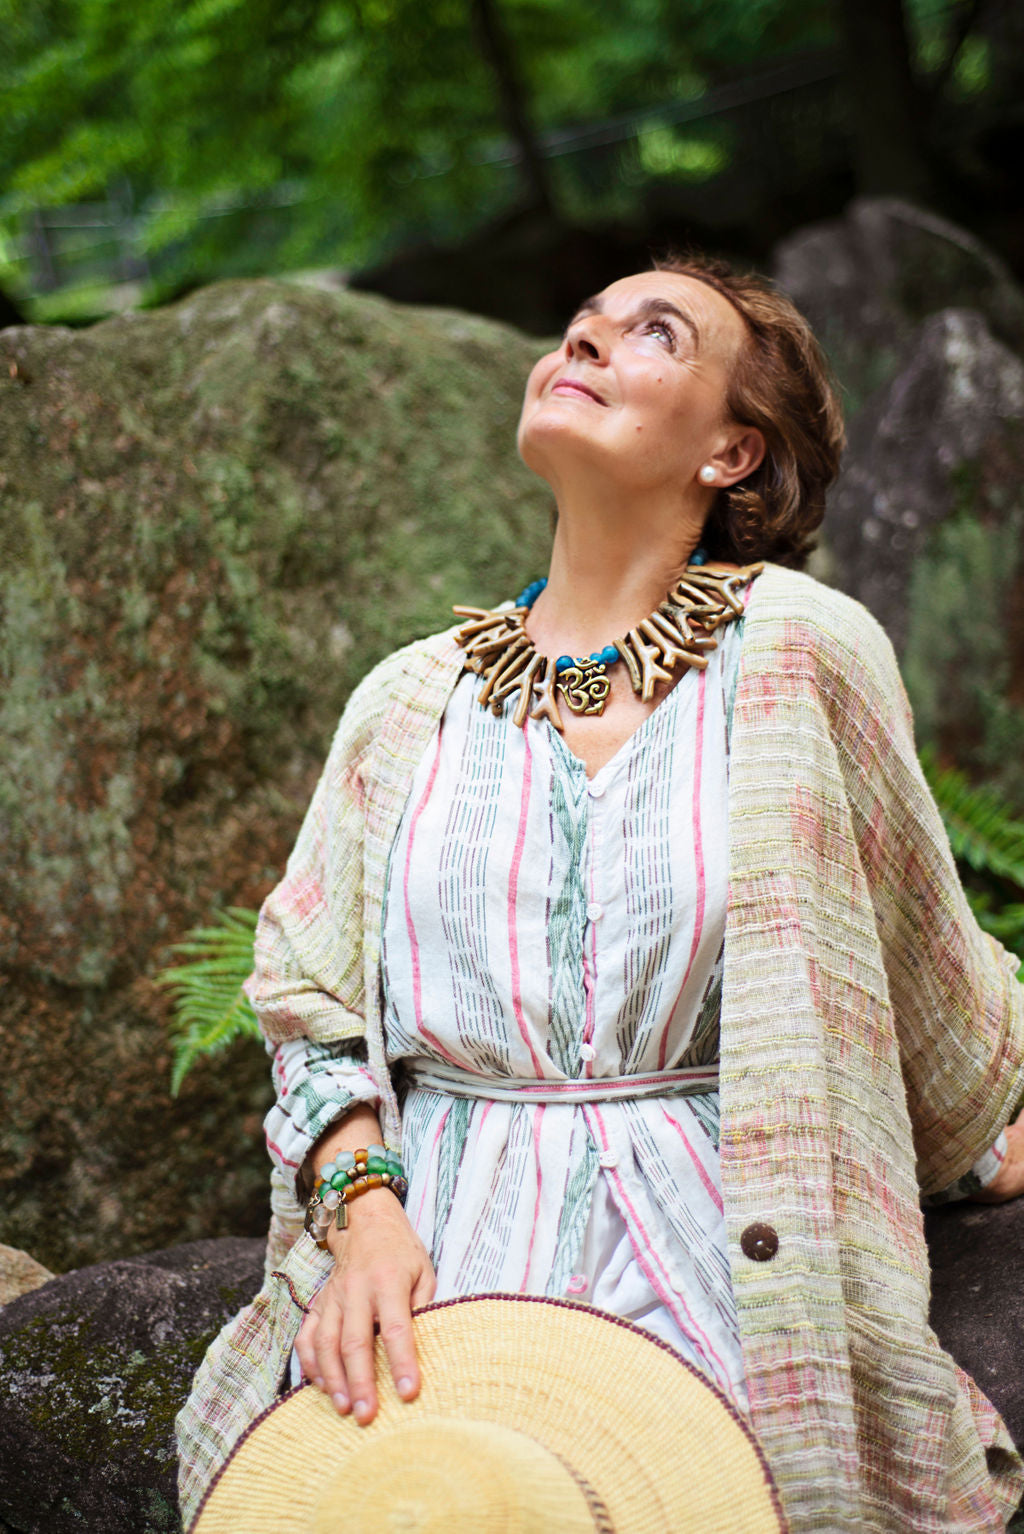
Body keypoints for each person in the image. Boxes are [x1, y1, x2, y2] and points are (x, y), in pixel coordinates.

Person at [177, 255, 1024, 1533]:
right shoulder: (409, 699)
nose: (582, 342)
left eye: (650, 334)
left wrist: (976, 1143)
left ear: (732, 452)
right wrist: (361, 1217)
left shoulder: (803, 650)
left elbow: (915, 968)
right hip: (434, 1258)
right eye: (576, 325)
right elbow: (306, 992)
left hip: (726, 1254)